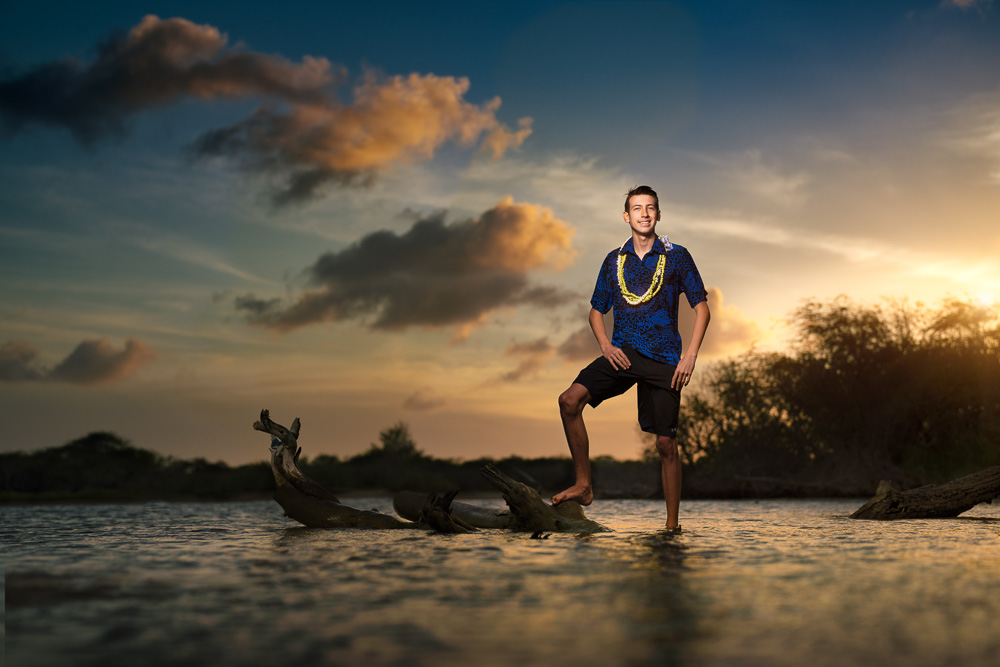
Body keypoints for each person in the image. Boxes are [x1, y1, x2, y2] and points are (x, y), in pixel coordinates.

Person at [552, 185, 710, 532]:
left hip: (665, 358)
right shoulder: (614, 260)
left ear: (658, 214)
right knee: (569, 401)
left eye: (650, 207)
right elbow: (596, 312)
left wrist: (690, 356)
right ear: (627, 216)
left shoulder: (677, 256)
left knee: (666, 443)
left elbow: (702, 309)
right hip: (622, 353)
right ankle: (583, 485)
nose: (644, 213)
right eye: (637, 208)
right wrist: (606, 346)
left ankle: (671, 527)